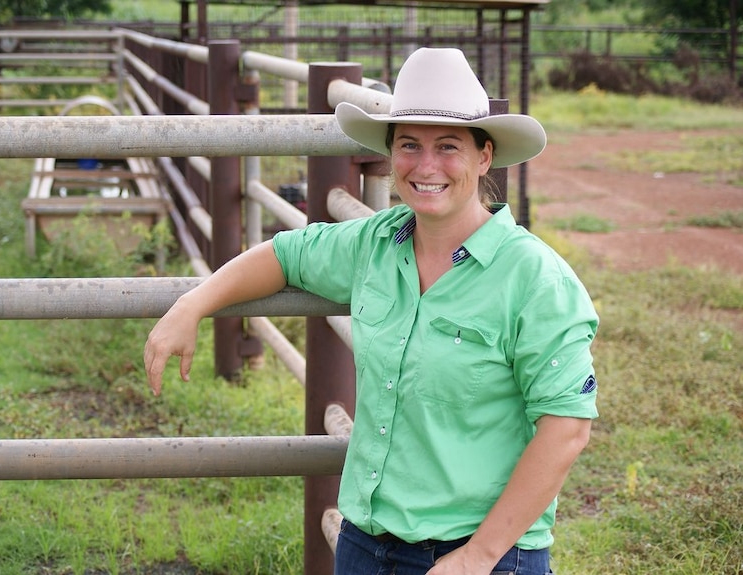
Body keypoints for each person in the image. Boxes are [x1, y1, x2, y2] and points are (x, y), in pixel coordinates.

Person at [144, 47, 599, 575]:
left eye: (447, 146)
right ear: (390, 155)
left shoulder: (535, 279)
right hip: (366, 542)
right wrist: (192, 302)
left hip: (477, 552)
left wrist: (478, 556)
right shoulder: (375, 244)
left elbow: (566, 427)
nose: (425, 166)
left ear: (484, 156)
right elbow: (284, 255)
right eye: (409, 145)